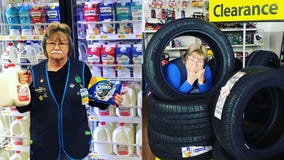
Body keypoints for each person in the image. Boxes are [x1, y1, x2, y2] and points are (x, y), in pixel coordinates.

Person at [17, 22, 123, 160]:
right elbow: (23, 108)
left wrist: (111, 98)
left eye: (62, 43)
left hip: (75, 145)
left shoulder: (81, 69)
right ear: (45, 47)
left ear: (69, 47)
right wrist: (22, 89)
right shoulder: (34, 73)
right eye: (51, 43)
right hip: (43, 147)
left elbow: (91, 98)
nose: (56, 47)